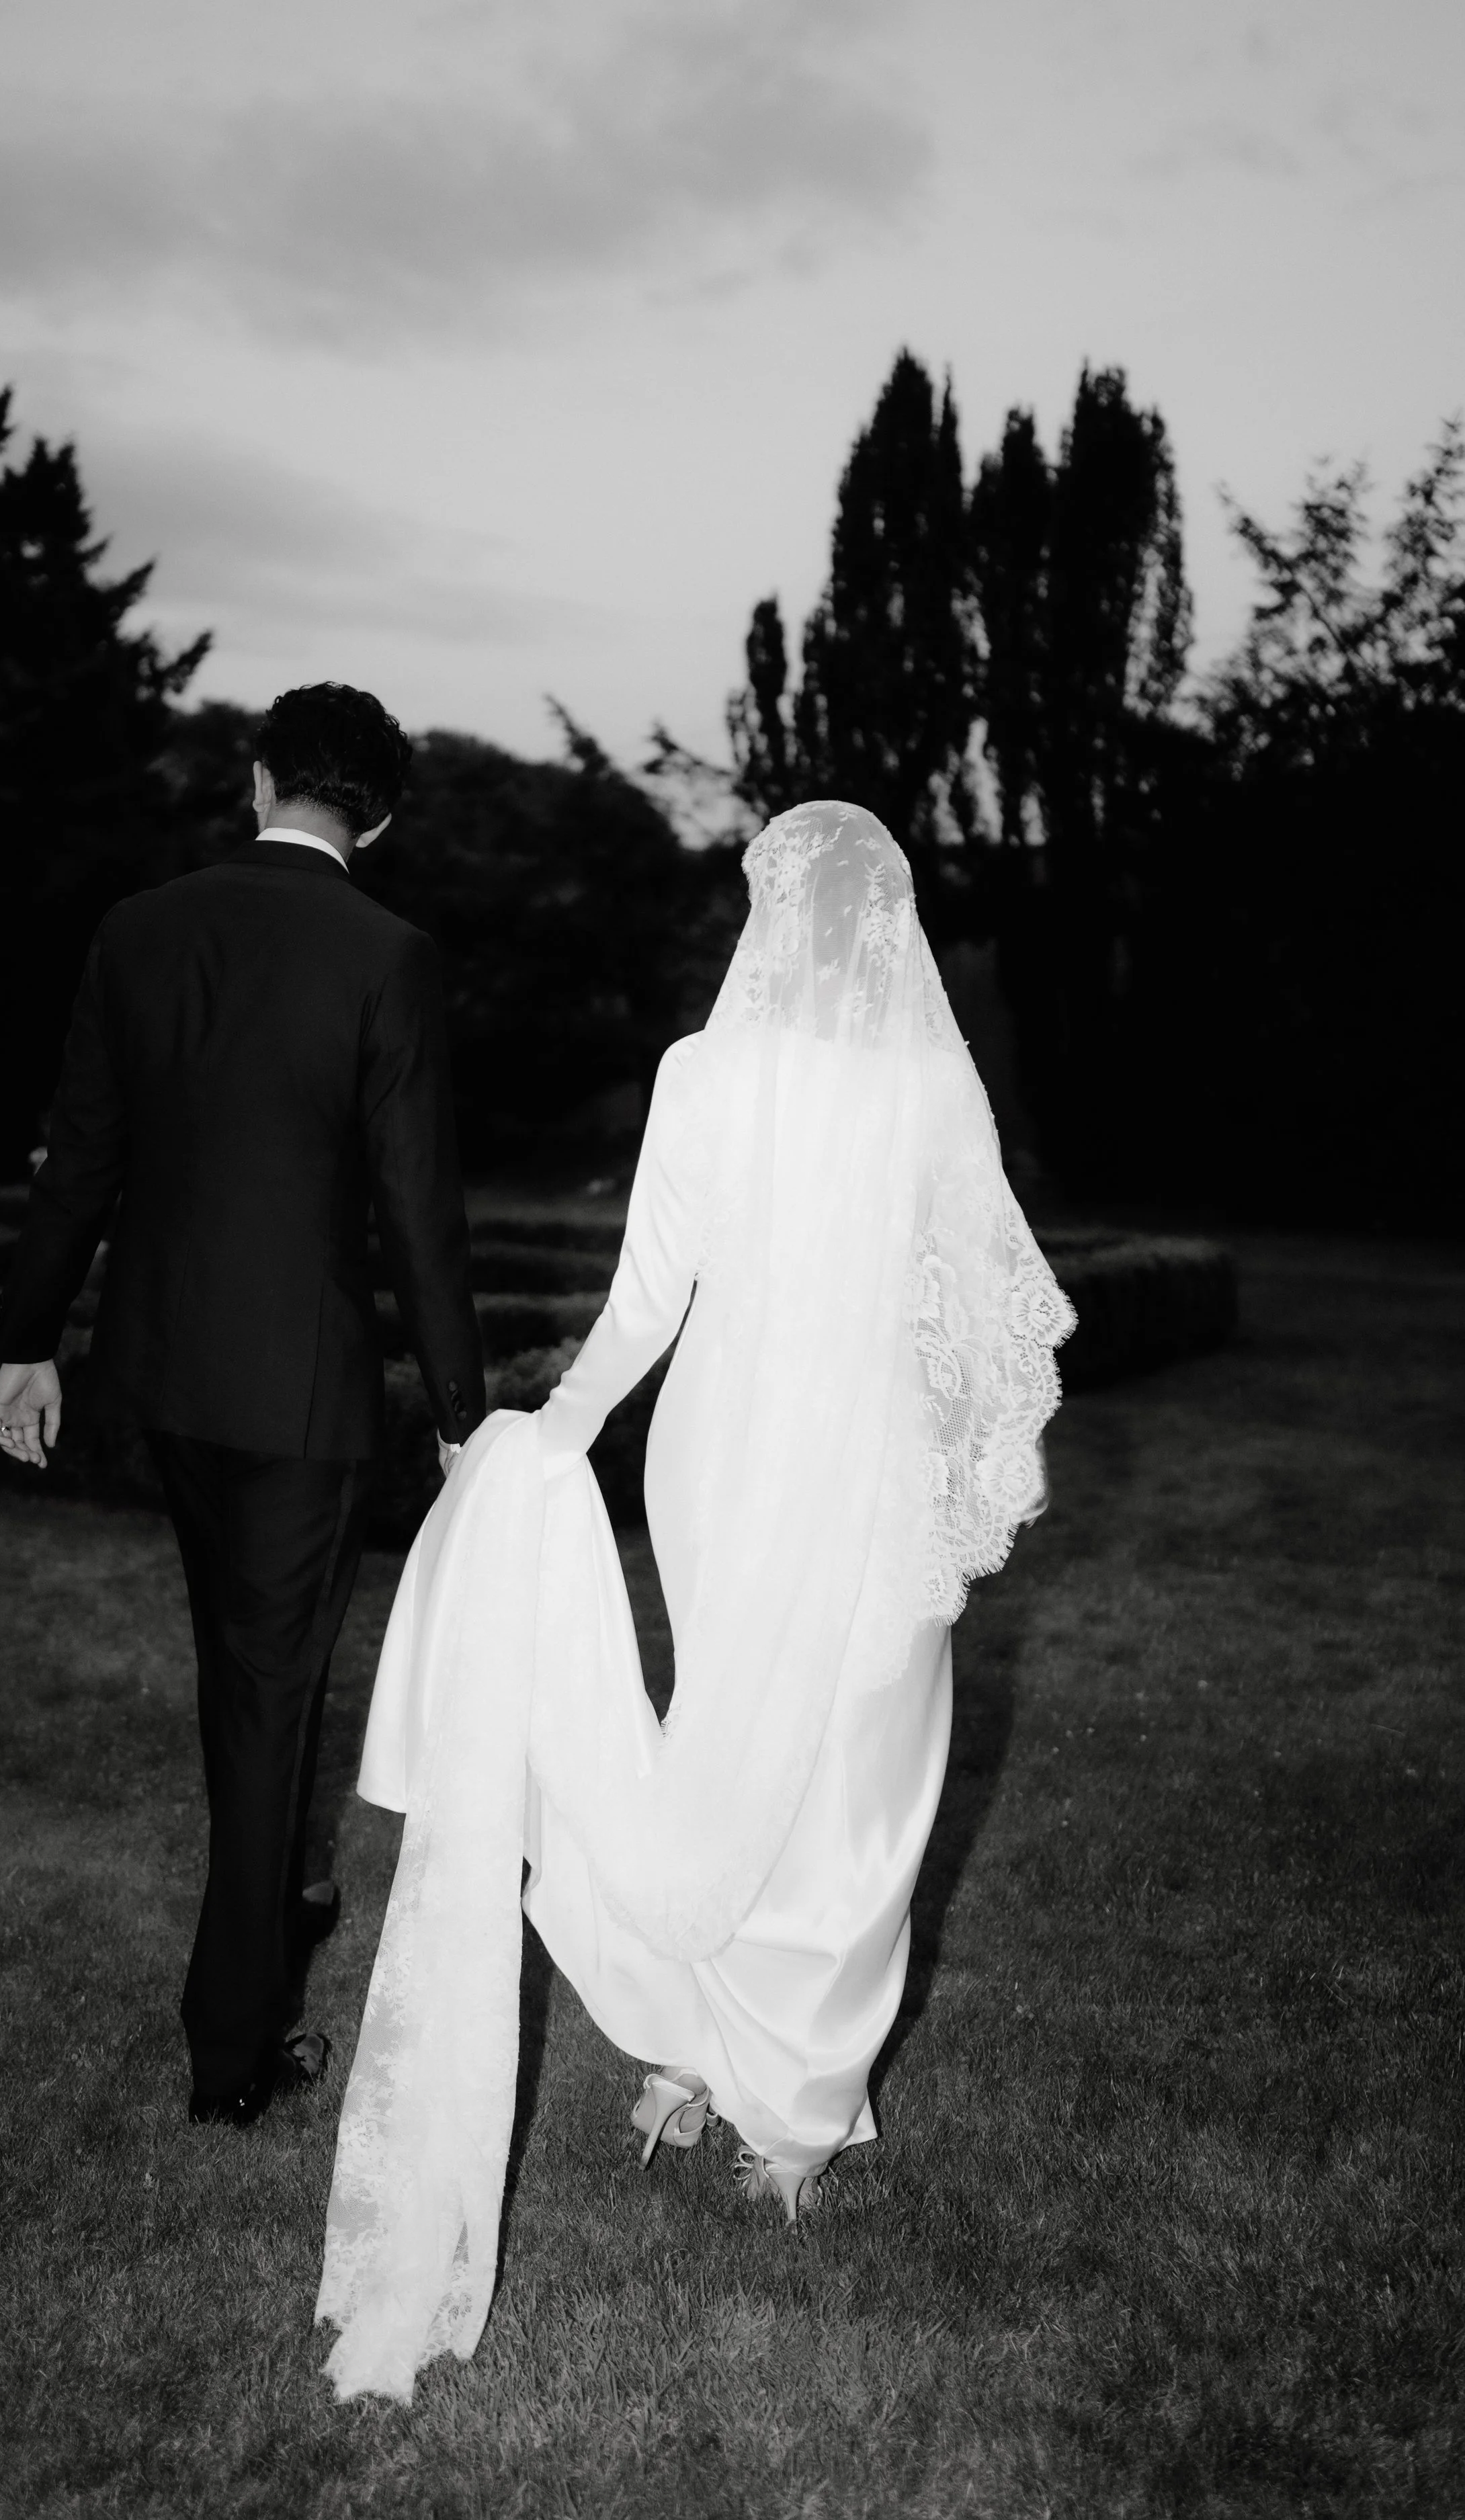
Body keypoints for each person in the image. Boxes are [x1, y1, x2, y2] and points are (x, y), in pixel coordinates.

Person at [315, 798, 1075, 2402]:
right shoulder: (928, 1080)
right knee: (857, 1781)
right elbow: (976, 1296)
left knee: (739, 1745)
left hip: (725, 1455)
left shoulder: (699, 1072)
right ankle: (785, 2111)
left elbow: (646, 1297)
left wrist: (567, 1421)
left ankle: (698, 2062)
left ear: (772, 915)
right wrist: (947, 1462)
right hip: (843, 1460)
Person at [0, 681, 485, 2131]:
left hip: (164, 1376)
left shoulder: (139, 929)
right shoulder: (388, 953)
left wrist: (28, 1343)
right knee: (267, 1691)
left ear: (257, 779)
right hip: (300, 1393)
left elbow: (79, 1156)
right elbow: (416, 1207)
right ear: (376, 815)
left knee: (243, 1666)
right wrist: (460, 1406)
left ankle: (288, 1898)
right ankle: (233, 2044)